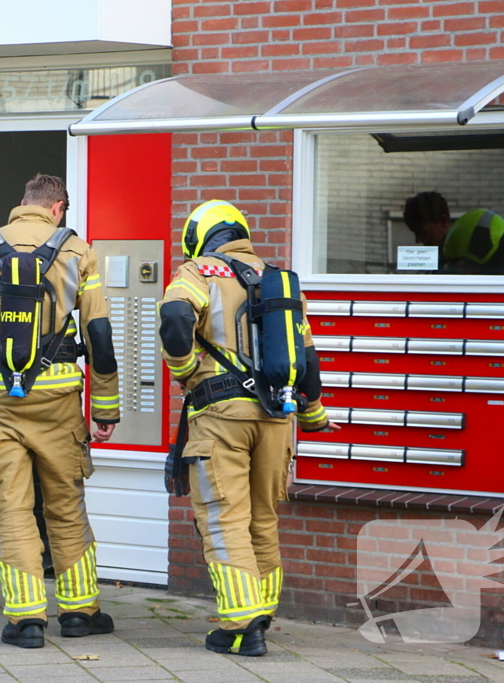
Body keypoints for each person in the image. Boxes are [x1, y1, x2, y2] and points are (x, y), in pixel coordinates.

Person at [158, 200, 340, 657]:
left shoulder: (198, 272)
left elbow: (176, 320)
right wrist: (314, 414)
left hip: (221, 416)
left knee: (224, 520)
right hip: (278, 419)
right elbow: (309, 359)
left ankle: (240, 627)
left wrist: (183, 370)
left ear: (200, 235)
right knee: (263, 517)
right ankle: (261, 612)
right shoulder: (279, 281)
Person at [0, 174, 120, 648]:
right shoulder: (78, 251)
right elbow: (100, 336)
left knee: (14, 509)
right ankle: (80, 612)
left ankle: (25, 620)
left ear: (21, 204)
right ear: (58, 208)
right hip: (59, 397)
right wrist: (105, 407)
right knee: (66, 505)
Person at [402, 192, 504, 275]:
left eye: (422, 232)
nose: (418, 240)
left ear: (443, 221)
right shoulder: (436, 264)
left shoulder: (470, 253)